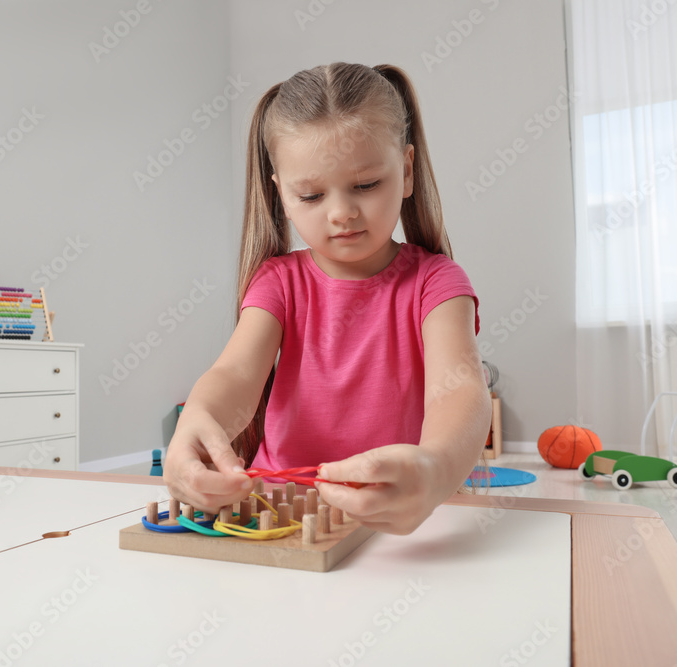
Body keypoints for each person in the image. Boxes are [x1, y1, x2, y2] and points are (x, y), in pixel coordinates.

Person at [164, 62, 491, 535]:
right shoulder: (277, 282)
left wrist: (436, 470)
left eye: (365, 185)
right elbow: (235, 374)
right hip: (282, 512)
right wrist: (197, 421)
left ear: (406, 170)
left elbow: (460, 391)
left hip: (395, 521)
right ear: (282, 196)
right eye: (312, 196)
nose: (342, 213)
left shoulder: (436, 282)